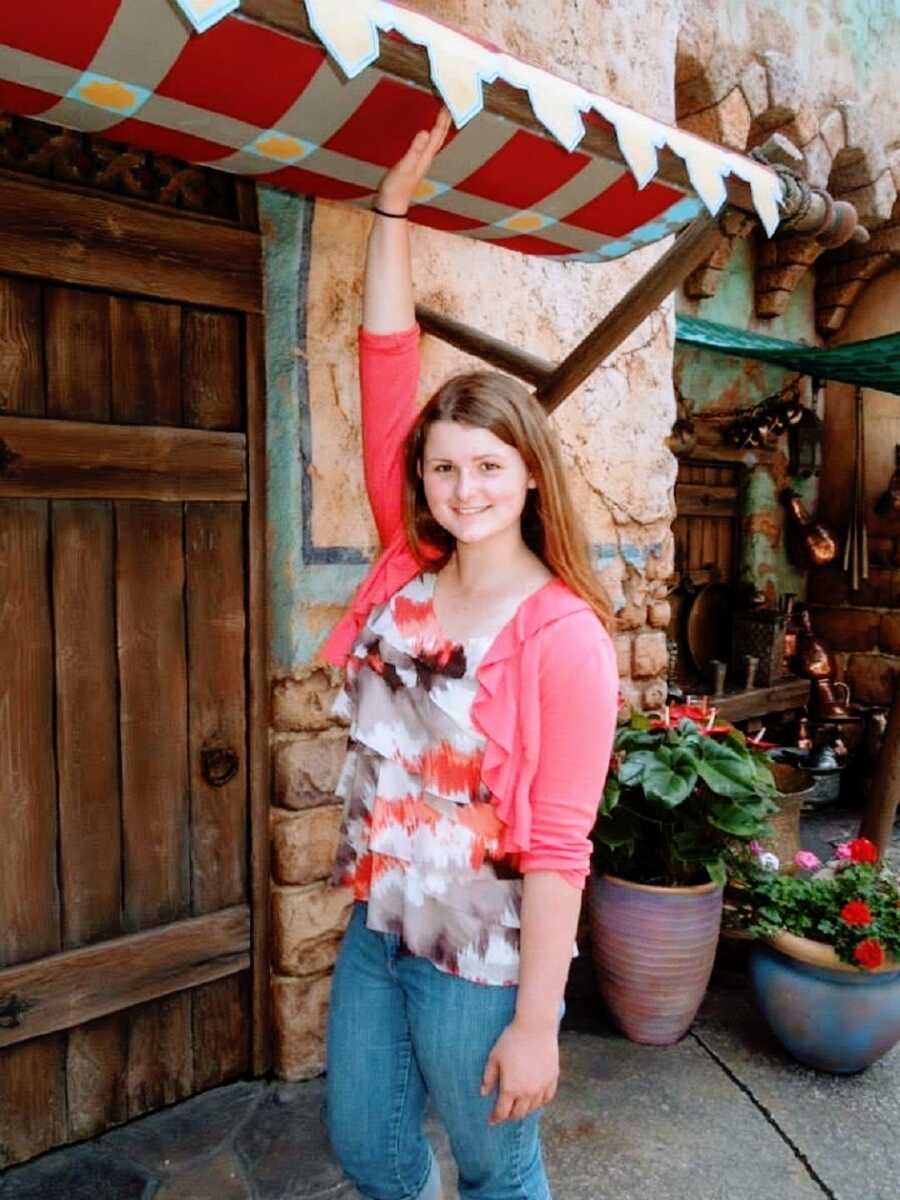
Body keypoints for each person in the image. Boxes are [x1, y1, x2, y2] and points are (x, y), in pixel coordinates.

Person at [321, 108, 619, 1200]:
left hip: (480, 959)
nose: (465, 489)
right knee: (368, 1147)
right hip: (378, 922)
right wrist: (391, 209)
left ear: (530, 474)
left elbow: (559, 849)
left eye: (490, 467)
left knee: (498, 1168)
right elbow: (386, 363)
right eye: (446, 469)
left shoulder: (564, 637)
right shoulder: (407, 562)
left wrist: (537, 1022)